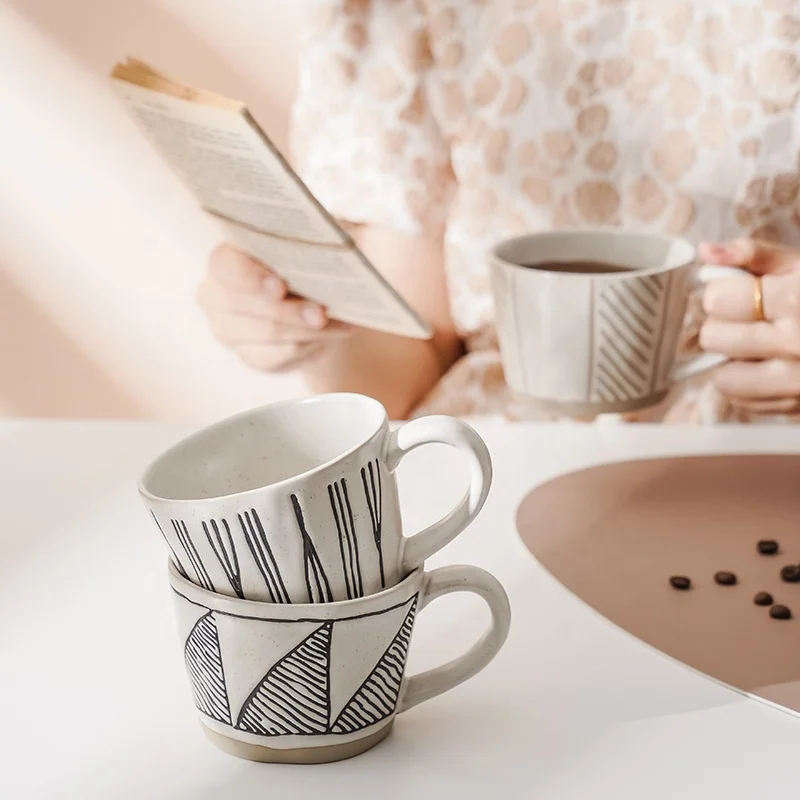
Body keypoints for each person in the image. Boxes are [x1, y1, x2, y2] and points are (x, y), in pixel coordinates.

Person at [197, 0, 800, 421]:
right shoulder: (401, 10)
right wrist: (308, 328)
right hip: (492, 462)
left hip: (761, 450)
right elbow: (401, 373)